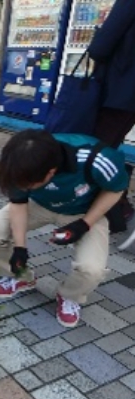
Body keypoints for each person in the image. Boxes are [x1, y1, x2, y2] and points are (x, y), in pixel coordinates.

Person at [0, 129, 128, 328]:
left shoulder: (98, 158)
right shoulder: (19, 162)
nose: (25, 187)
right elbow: (19, 204)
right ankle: (20, 277)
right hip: (40, 206)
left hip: (85, 211)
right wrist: (20, 249)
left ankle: (69, 295)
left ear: (51, 172)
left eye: (30, 184)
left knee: (91, 269)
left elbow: (115, 190)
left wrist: (84, 224)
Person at [88, 1, 135, 233]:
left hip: (118, 91)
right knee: (111, 144)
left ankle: (109, 208)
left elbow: (100, 48)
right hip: (129, 100)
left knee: (95, 148)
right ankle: (118, 205)